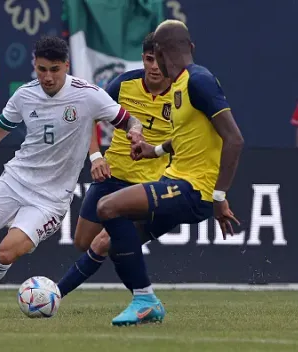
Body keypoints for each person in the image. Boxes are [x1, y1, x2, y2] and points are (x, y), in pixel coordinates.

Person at [0, 36, 144, 318]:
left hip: (50, 200)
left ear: (66, 66)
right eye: (42, 69)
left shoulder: (88, 94)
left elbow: (128, 119)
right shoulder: (24, 95)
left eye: (54, 69)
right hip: (16, 180)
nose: (47, 77)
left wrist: (135, 131)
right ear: (35, 65)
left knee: (7, 253)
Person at [95, 19, 245, 326]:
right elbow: (188, 137)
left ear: (160, 54)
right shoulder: (180, 85)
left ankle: (145, 299)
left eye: (154, 57)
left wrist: (219, 197)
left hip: (193, 190)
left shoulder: (199, 80)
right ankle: (144, 300)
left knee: (107, 207)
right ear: (190, 47)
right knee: (116, 243)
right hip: (175, 179)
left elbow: (234, 139)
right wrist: (154, 151)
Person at [57, 33, 172, 306]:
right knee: (84, 241)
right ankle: (127, 258)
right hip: (111, 174)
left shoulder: (183, 93)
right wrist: (96, 157)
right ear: (143, 59)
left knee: (104, 242)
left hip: (147, 187)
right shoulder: (125, 84)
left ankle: (54, 296)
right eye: (149, 59)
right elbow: (88, 118)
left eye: (161, 60)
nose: (155, 66)